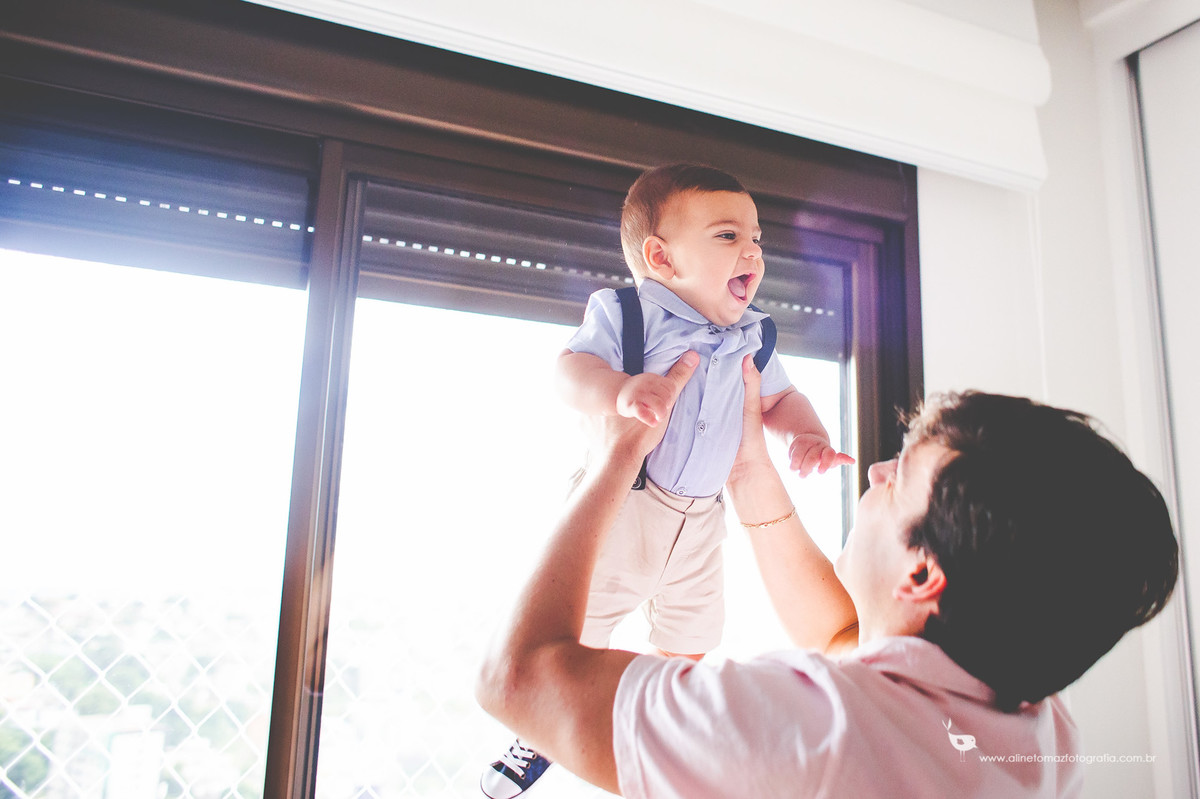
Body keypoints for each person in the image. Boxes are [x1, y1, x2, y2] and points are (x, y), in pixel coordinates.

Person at [475, 352, 1179, 798]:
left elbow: (519, 675)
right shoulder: (1039, 728)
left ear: (923, 571)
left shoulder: (811, 733)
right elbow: (850, 635)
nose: (875, 470)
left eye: (899, 477)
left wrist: (615, 456)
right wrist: (750, 465)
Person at [480, 164, 852, 798]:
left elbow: (782, 401)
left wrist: (807, 437)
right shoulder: (628, 313)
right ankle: (541, 736)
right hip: (627, 503)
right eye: (729, 235)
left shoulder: (752, 336)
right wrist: (622, 391)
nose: (753, 252)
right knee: (581, 627)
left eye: (758, 238)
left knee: (695, 634)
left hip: (704, 517)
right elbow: (568, 371)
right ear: (661, 256)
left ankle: (658, 721)